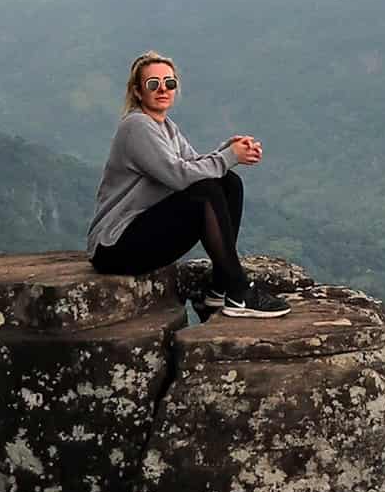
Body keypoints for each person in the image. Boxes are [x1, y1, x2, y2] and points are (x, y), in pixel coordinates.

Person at [87, 49, 290, 318]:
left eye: (169, 83)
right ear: (138, 91)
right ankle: (238, 290)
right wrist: (229, 157)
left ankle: (219, 289)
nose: (163, 89)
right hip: (115, 247)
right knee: (206, 191)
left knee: (228, 182)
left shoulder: (166, 127)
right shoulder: (136, 126)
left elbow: (194, 165)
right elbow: (180, 176)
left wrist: (226, 152)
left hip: (139, 235)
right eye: (153, 84)